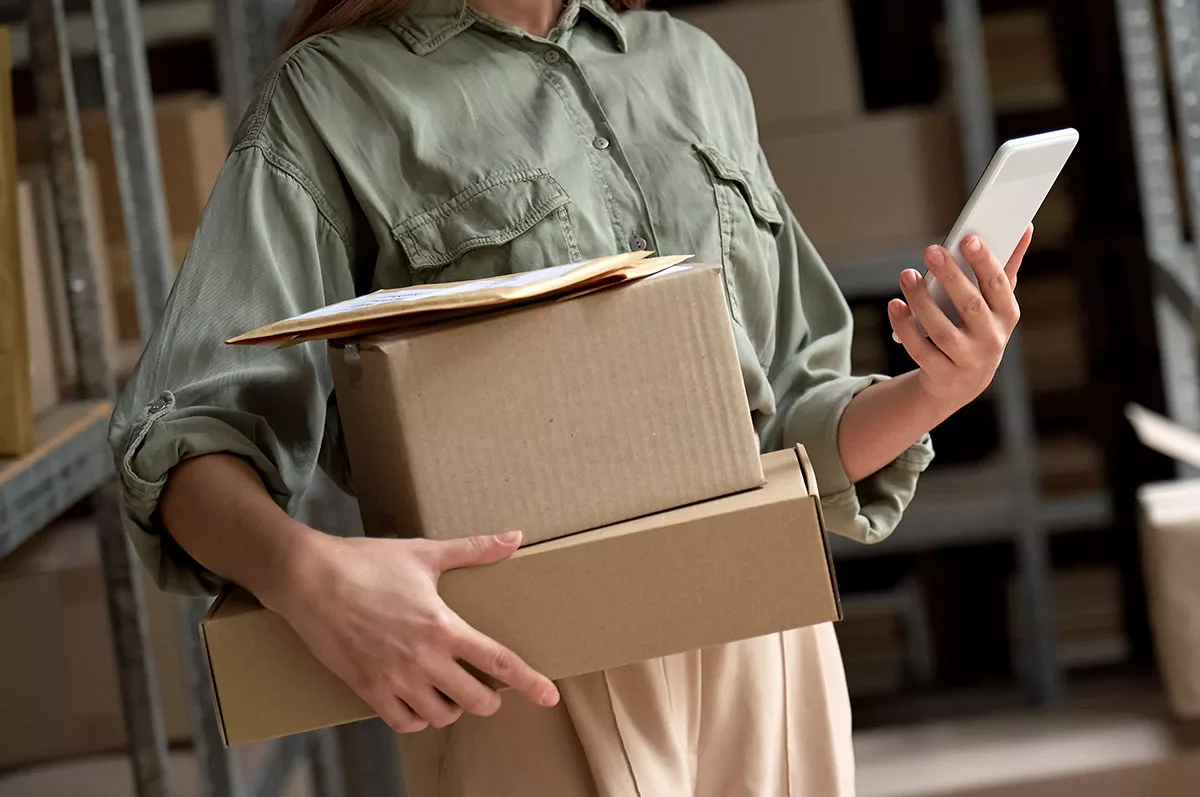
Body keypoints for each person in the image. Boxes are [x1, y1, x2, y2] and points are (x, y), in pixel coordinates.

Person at [110, 0, 1032, 793]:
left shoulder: (693, 69)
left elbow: (793, 427)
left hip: (770, 645)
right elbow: (184, 430)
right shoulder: (330, 99)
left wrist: (939, 386)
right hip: (526, 674)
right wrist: (306, 574)